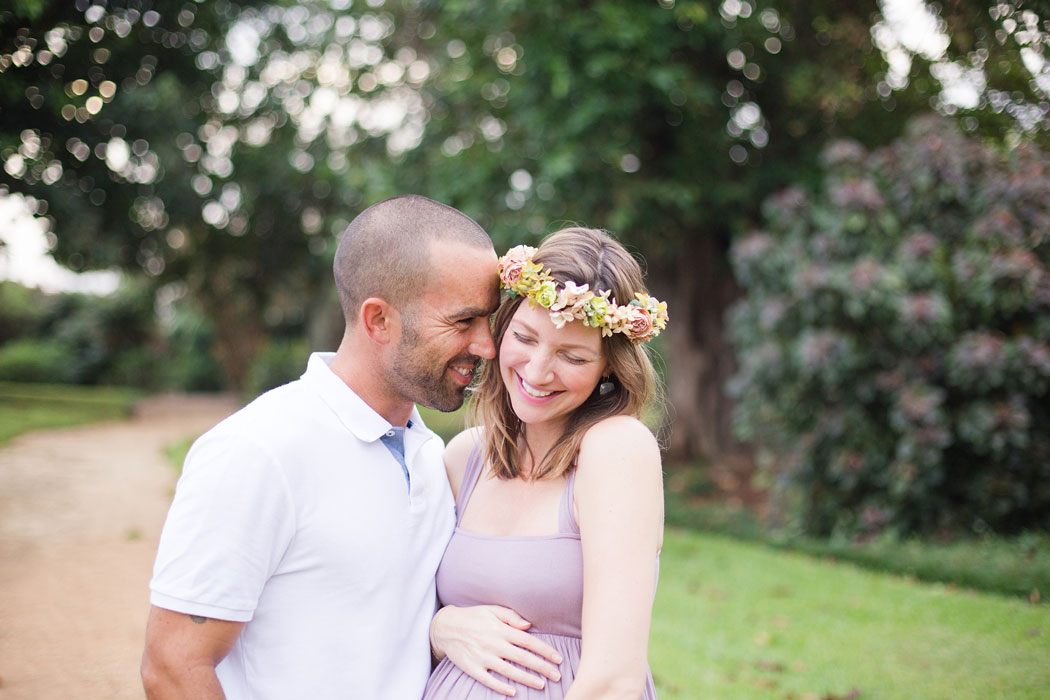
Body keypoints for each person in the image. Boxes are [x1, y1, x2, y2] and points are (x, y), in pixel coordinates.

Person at [140, 195, 558, 700]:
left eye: (487, 321)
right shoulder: (259, 451)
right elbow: (173, 666)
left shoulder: (431, 457)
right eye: (462, 321)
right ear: (378, 320)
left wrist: (440, 628)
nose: (487, 346)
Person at [424, 227, 668, 699]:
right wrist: (441, 627)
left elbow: (614, 680)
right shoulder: (464, 458)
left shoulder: (616, 450)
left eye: (572, 356)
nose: (537, 372)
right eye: (525, 337)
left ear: (609, 367)